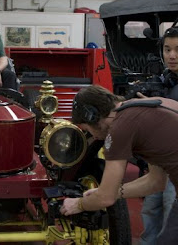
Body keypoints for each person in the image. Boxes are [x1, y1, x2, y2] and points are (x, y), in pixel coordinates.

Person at [60, 84, 178, 244]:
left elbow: (105, 199)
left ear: (92, 117)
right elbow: (156, 182)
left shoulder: (119, 128)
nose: (94, 137)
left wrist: (79, 204)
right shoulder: (149, 106)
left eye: (88, 129)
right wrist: (109, 191)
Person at [140, 26, 178, 245]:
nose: (172, 55)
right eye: (167, 49)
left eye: (177, 50)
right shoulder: (163, 80)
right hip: (158, 161)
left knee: (170, 218)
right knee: (150, 210)